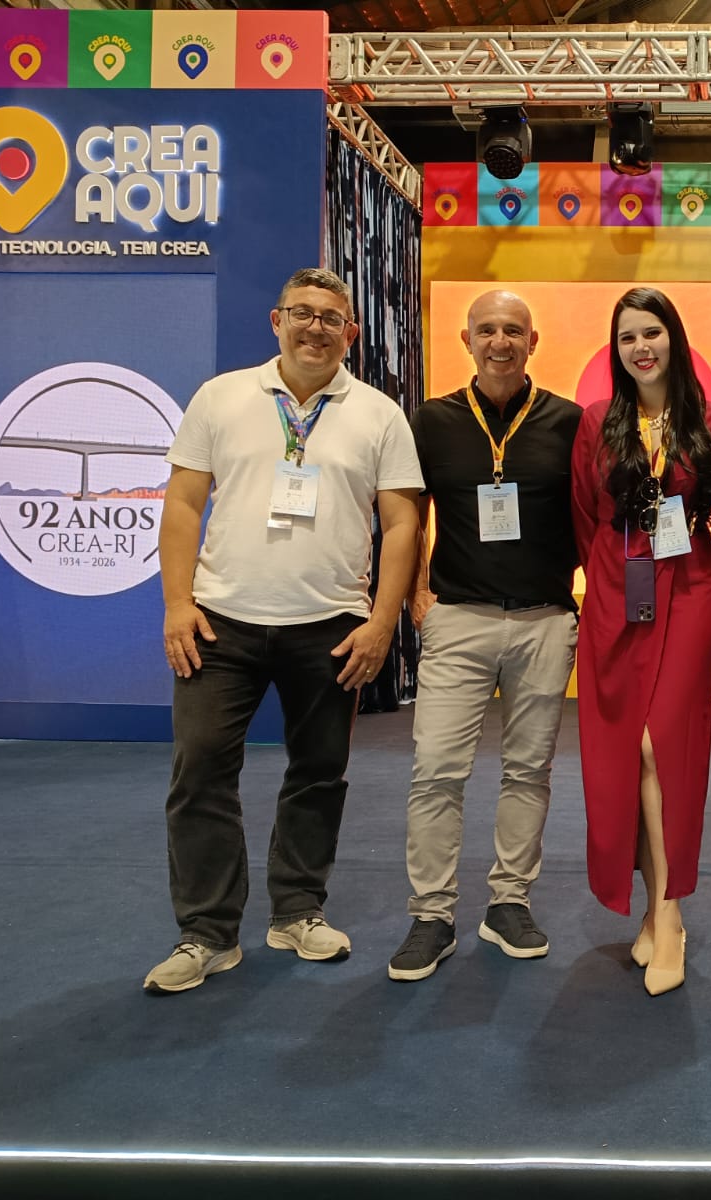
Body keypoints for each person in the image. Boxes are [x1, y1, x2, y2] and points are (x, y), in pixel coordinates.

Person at [146, 267, 424, 994]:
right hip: (219, 624)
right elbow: (182, 505)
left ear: (351, 333)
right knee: (200, 772)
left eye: (330, 318)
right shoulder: (220, 397)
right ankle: (207, 933)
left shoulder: (379, 415)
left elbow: (402, 524)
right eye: (301, 313)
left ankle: (298, 911)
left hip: (332, 627)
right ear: (277, 321)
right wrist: (177, 604)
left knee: (319, 773)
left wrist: (382, 622)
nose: (314, 328)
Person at [387, 290, 582, 982]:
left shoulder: (569, 421)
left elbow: (591, 519)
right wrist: (417, 595)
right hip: (460, 618)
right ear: (466, 340)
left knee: (529, 771)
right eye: (488, 330)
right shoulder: (433, 420)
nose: (501, 342)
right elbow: (407, 516)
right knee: (436, 769)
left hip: (544, 620)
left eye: (513, 331)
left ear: (534, 341)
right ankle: (431, 915)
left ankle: (508, 903)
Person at [570, 288, 711, 997]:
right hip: (616, 593)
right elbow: (584, 516)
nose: (641, 347)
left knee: (660, 747)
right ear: (614, 351)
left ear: (674, 338)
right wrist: (609, 582)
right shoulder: (597, 421)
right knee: (624, 753)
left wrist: (707, 586)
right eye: (627, 338)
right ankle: (651, 907)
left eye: (652, 333)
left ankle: (669, 916)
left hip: (692, 591)